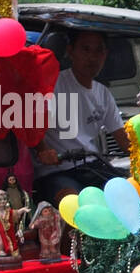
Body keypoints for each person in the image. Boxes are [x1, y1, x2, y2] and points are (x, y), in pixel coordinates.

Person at [30, 30, 130, 205]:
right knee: (73, 205)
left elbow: (124, 140)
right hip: (56, 171)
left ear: (105, 55)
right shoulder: (53, 85)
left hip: (93, 166)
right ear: (71, 51)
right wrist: (43, 150)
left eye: (98, 51)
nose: (92, 57)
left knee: (129, 194)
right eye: (85, 49)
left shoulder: (103, 93)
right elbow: (32, 124)